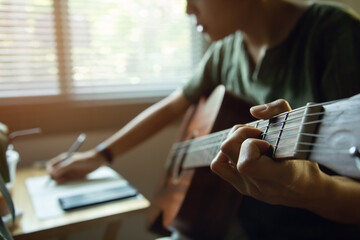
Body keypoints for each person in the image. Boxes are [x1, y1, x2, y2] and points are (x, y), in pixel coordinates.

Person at [47, 0, 360, 239]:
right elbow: (173, 106)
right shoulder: (225, 51)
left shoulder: (336, 35)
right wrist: (100, 156)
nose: (186, 9)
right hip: (234, 219)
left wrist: (310, 189)